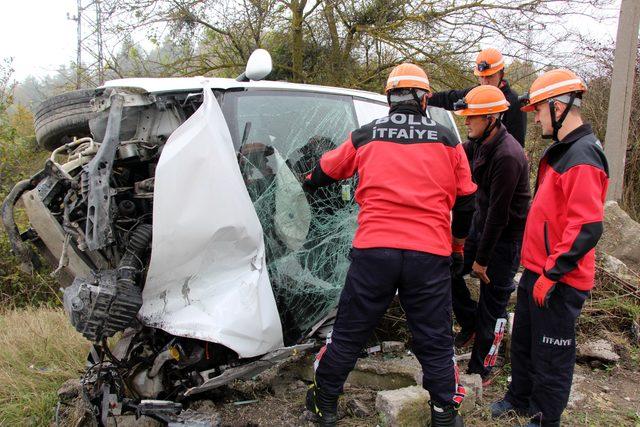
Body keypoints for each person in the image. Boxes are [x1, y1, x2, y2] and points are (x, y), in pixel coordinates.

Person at [302, 63, 477, 427]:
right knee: (435, 340)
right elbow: (466, 202)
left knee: (350, 333)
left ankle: (325, 404)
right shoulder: (447, 139)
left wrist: (305, 180)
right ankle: (444, 414)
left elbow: (323, 172)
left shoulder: (366, 135)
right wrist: (457, 247)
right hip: (428, 253)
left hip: (375, 250)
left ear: (389, 98)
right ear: (425, 98)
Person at [491, 69, 609, 427]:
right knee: (525, 343)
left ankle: (545, 418)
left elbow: (586, 226)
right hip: (538, 269)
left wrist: (553, 273)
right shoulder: (566, 149)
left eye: (540, 110)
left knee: (552, 354)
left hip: (559, 278)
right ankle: (520, 398)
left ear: (559, 107)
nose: (538, 118)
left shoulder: (583, 156)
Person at [449, 85, 530, 384]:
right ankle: (469, 322)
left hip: (503, 240)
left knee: (493, 304)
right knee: (448, 269)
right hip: (479, 229)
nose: (466, 122)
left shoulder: (508, 155)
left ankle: (482, 368)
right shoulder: (478, 143)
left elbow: (500, 215)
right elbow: (455, 156)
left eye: (472, 118)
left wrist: (481, 260)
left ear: (492, 118)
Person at [429, 48, 528, 146]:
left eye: (490, 76)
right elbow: (449, 98)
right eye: (481, 77)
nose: (485, 82)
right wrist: (426, 97)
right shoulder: (476, 93)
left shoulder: (515, 102)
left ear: (501, 74)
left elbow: (516, 143)